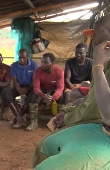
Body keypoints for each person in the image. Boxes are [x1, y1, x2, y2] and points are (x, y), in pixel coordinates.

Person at [31, 14, 110, 169]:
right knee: (45, 145)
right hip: (100, 125)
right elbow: (94, 96)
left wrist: (68, 117)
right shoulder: (104, 63)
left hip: (103, 130)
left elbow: (104, 111)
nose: (92, 40)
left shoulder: (98, 63)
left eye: (95, 35)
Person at [30, 53, 65, 131]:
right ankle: (33, 122)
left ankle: (58, 122)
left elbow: (60, 88)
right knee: (33, 94)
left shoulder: (59, 71)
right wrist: (43, 96)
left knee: (61, 95)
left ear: (52, 63)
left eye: (46, 62)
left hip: (53, 91)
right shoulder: (37, 71)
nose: (43, 64)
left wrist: (53, 97)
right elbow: (36, 88)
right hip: (43, 91)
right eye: (42, 62)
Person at [8, 49, 38, 128]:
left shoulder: (34, 65)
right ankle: (20, 119)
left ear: (27, 57)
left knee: (33, 95)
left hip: (30, 86)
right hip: (19, 85)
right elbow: (14, 80)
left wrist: (27, 89)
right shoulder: (14, 65)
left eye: (23, 58)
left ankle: (16, 119)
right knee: (7, 93)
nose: (21, 60)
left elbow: (35, 80)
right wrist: (18, 88)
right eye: (20, 57)